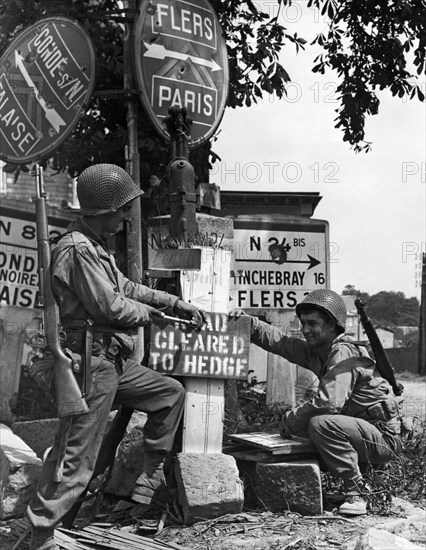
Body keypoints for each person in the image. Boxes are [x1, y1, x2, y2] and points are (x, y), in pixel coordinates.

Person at [27, 164, 205, 550]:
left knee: (168, 394)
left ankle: (147, 481)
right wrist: (153, 317)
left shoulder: (94, 246)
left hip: (111, 361)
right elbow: (110, 307)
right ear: (104, 209)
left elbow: (126, 288)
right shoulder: (77, 250)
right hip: (90, 363)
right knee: (75, 454)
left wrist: (174, 303)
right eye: (123, 209)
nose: (127, 217)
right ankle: (40, 535)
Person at [232, 289, 403, 516]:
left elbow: (329, 404)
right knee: (304, 430)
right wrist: (249, 323)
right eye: (303, 323)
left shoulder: (342, 351)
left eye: (312, 323)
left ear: (332, 325)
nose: (305, 330)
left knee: (321, 424)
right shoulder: (319, 351)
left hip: (382, 441)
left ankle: (356, 492)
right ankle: (357, 476)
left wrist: (290, 419)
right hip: (362, 434)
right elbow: (281, 343)